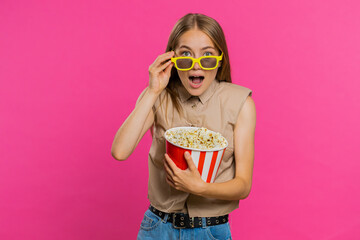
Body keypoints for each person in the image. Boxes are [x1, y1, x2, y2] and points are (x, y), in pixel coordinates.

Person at [111, 13, 256, 240]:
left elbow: (243, 186)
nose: (196, 65)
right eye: (186, 54)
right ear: (172, 58)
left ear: (220, 59)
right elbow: (120, 151)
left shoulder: (241, 104)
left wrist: (200, 188)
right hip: (157, 228)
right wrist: (152, 91)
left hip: (210, 231)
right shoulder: (158, 97)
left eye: (207, 55)